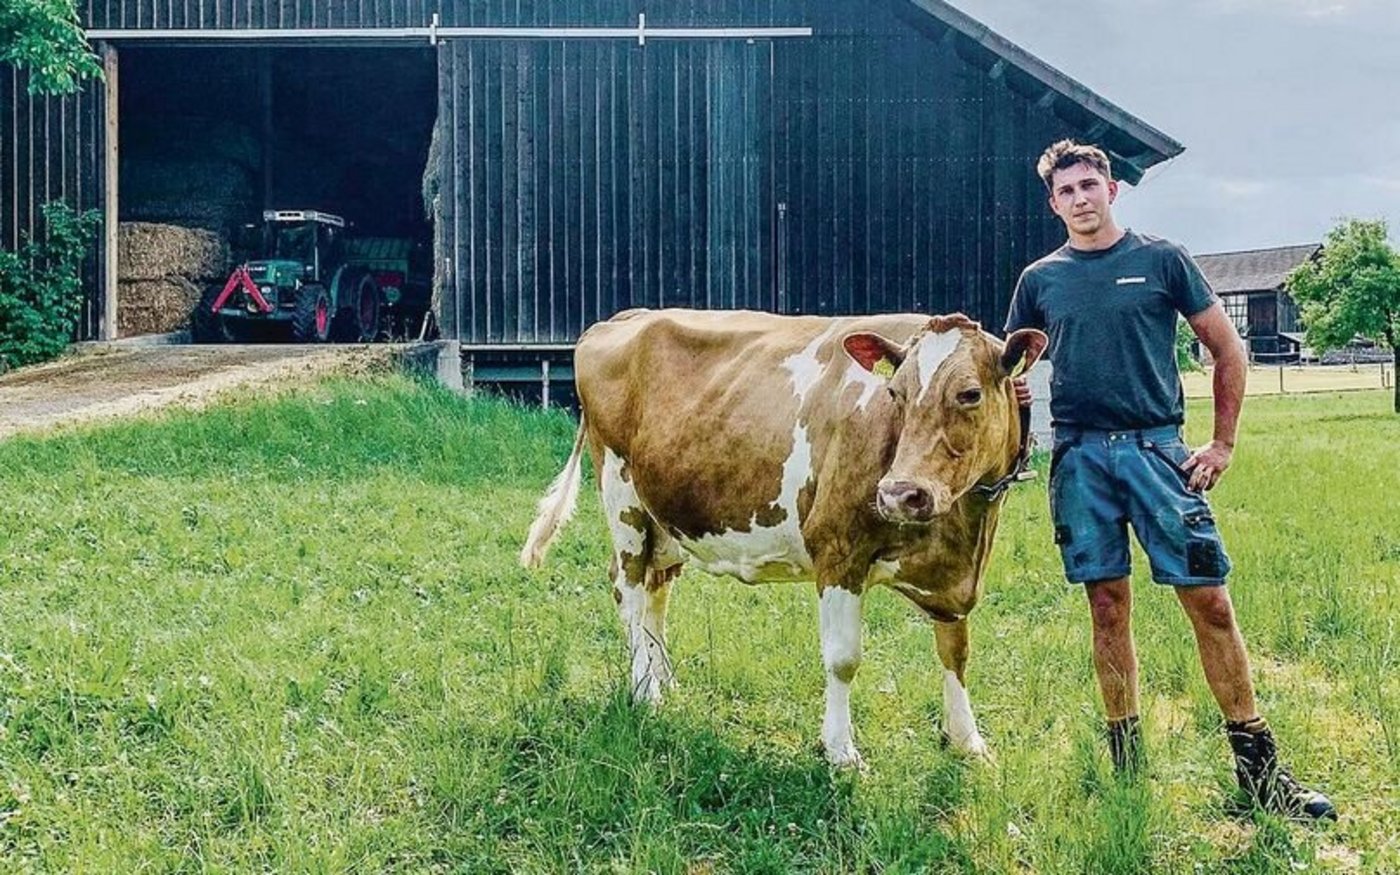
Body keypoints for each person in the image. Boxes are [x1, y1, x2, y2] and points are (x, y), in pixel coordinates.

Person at [1004, 140, 1335, 821]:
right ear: (1053, 203)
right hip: (1080, 459)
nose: (1080, 198)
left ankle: (1260, 771)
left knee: (1210, 601)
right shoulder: (1040, 279)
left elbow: (1227, 348)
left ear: (1112, 190)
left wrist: (1221, 442)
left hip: (1158, 454)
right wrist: (1020, 417)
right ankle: (1128, 766)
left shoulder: (1162, 260)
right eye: (1066, 191)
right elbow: (1016, 371)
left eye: (1090, 184)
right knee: (1106, 607)